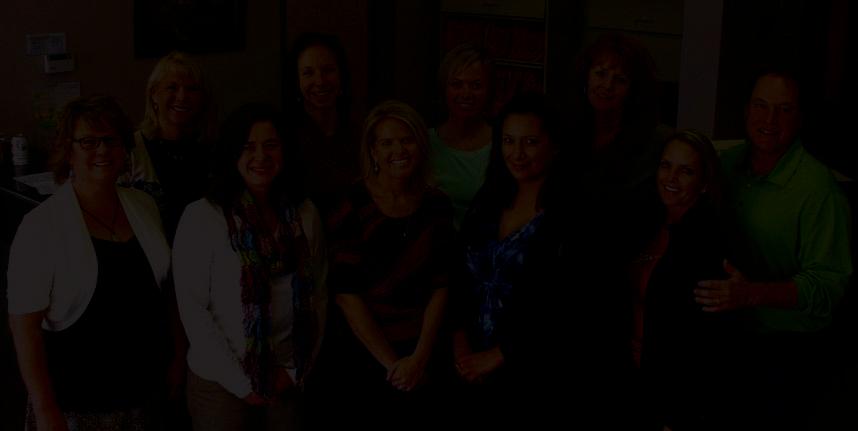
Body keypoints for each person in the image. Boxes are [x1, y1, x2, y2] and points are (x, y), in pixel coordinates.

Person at [7, 95, 175, 430]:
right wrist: (45, 409)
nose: (102, 150)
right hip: (76, 408)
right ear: (68, 151)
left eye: (111, 140)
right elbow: (24, 328)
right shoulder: (40, 227)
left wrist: (175, 363)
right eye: (88, 141)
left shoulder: (143, 206)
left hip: (143, 399)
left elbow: (163, 294)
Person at [697, 69, 852, 430]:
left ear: (799, 118)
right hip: (728, 335)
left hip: (788, 349)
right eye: (761, 105)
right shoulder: (726, 165)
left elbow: (828, 288)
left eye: (784, 109)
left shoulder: (819, 191)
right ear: (746, 110)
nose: (769, 119)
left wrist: (752, 293)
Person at [172, 103, 327, 430]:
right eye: (248, 147)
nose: (261, 156)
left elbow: (319, 294)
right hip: (219, 382)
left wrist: (296, 370)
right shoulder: (202, 216)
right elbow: (193, 310)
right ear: (231, 153)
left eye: (271, 145)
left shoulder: (306, 213)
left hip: (287, 374)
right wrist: (242, 384)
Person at [324, 100, 455, 430]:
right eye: (387, 142)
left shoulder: (437, 204)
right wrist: (394, 366)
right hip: (366, 356)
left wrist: (419, 358)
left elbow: (442, 284)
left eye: (406, 140)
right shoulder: (352, 204)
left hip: (425, 352)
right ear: (373, 151)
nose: (398, 150)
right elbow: (346, 295)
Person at [450, 93, 562, 426]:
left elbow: (565, 306)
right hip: (467, 366)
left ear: (553, 146)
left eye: (530, 142)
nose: (517, 153)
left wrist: (501, 355)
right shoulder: (488, 199)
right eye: (509, 141)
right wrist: (460, 344)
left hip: (532, 379)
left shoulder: (568, 215)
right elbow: (458, 276)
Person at [628, 130, 738, 430]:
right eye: (666, 165)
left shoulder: (708, 241)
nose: (671, 177)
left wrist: (676, 415)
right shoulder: (645, 222)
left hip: (673, 397)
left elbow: (704, 344)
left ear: (704, 183)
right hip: (634, 376)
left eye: (686, 171)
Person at [121, 51, 217, 242]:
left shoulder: (213, 151)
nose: (182, 96)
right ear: (154, 94)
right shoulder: (131, 150)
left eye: (192, 89)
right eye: (172, 87)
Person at [572, 33, 671, 210]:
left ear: (633, 89)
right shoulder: (567, 128)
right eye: (600, 74)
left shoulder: (654, 141)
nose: (607, 85)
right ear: (586, 76)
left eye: (620, 80)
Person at [286, 32, 360, 215]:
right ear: (296, 80)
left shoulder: (361, 132)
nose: (320, 81)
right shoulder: (285, 137)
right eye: (308, 73)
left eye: (328, 70)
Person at [428, 43, 495, 230]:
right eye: (457, 84)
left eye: (476, 85)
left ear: (489, 90)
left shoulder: (504, 145)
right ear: (444, 89)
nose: (466, 93)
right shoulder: (422, 142)